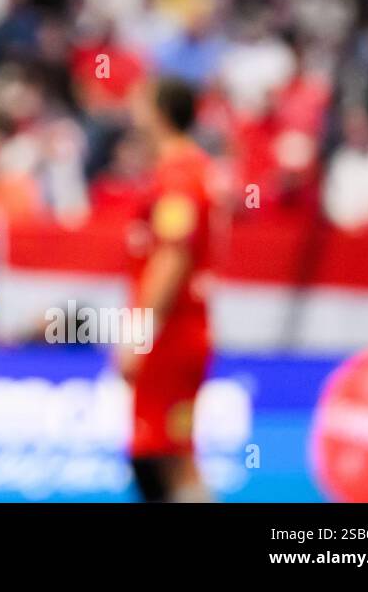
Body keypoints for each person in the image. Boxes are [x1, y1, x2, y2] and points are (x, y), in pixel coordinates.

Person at [118, 78, 214, 502]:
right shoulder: (179, 170)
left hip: (171, 337)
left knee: (171, 457)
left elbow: (172, 258)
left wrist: (139, 334)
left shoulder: (179, 176)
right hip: (173, 334)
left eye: (138, 102)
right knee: (157, 456)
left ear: (158, 112)